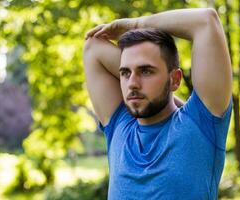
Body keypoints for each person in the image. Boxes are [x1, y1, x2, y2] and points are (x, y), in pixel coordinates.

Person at [83, 8, 232, 200]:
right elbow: (92, 47)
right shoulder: (119, 127)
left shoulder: (200, 124)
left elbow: (206, 21)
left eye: (146, 71)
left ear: (175, 79)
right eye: (125, 73)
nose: (132, 84)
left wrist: (136, 25)